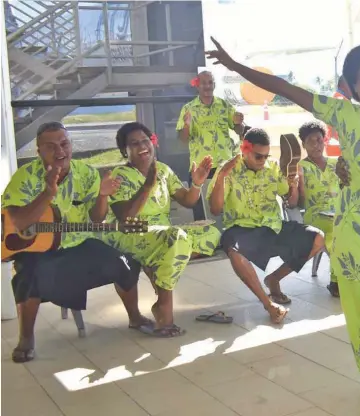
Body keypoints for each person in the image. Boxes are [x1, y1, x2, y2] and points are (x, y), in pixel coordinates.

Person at [205, 38, 360, 400]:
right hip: (352, 225)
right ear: (352, 84)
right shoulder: (342, 114)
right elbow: (285, 88)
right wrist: (236, 66)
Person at [2, 122, 153, 362]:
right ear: (39, 150)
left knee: (124, 262)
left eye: (64, 144)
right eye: (51, 147)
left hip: (78, 242)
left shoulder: (86, 173)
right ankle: (26, 338)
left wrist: (103, 195)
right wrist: (48, 193)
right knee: (27, 276)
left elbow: (97, 219)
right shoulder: (25, 177)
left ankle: (134, 316)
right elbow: (19, 223)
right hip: (38, 250)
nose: (60, 151)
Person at [105, 122, 218, 337]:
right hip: (131, 231)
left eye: (145, 140)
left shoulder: (163, 169)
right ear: (124, 151)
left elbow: (187, 201)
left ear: (153, 142)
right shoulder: (120, 176)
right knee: (177, 239)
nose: (142, 146)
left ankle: (160, 261)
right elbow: (125, 216)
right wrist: (147, 185)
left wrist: (196, 184)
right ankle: (164, 306)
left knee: (211, 233)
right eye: (134, 143)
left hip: (163, 233)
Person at [208, 128, 325, 324]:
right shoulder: (227, 169)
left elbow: (291, 201)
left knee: (318, 238)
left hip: (273, 226)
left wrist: (293, 184)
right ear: (244, 150)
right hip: (241, 228)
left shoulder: (272, 168)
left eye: (266, 156)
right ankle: (268, 304)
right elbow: (215, 209)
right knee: (233, 248)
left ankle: (274, 279)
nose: (262, 160)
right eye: (258, 156)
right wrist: (221, 178)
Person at [177, 70, 246, 221]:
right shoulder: (188, 109)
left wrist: (238, 123)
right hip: (202, 169)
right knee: (203, 216)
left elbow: (239, 130)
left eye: (210, 82)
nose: (207, 86)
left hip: (225, 166)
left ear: (214, 85)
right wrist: (187, 125)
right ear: (197, 86)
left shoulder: (224, 105)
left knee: (229, 210)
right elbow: (182, 138)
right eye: (204, 83)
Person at [296, 120, 342, 297]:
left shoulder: (336, 163)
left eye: (319, 140)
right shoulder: (301, 167)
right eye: (311, 141)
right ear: (304, 144)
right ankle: (337, 281)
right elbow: (299, 202)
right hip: (315, 213)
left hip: (339, 211)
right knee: (335, 229)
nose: (316, 145)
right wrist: (296, 183)